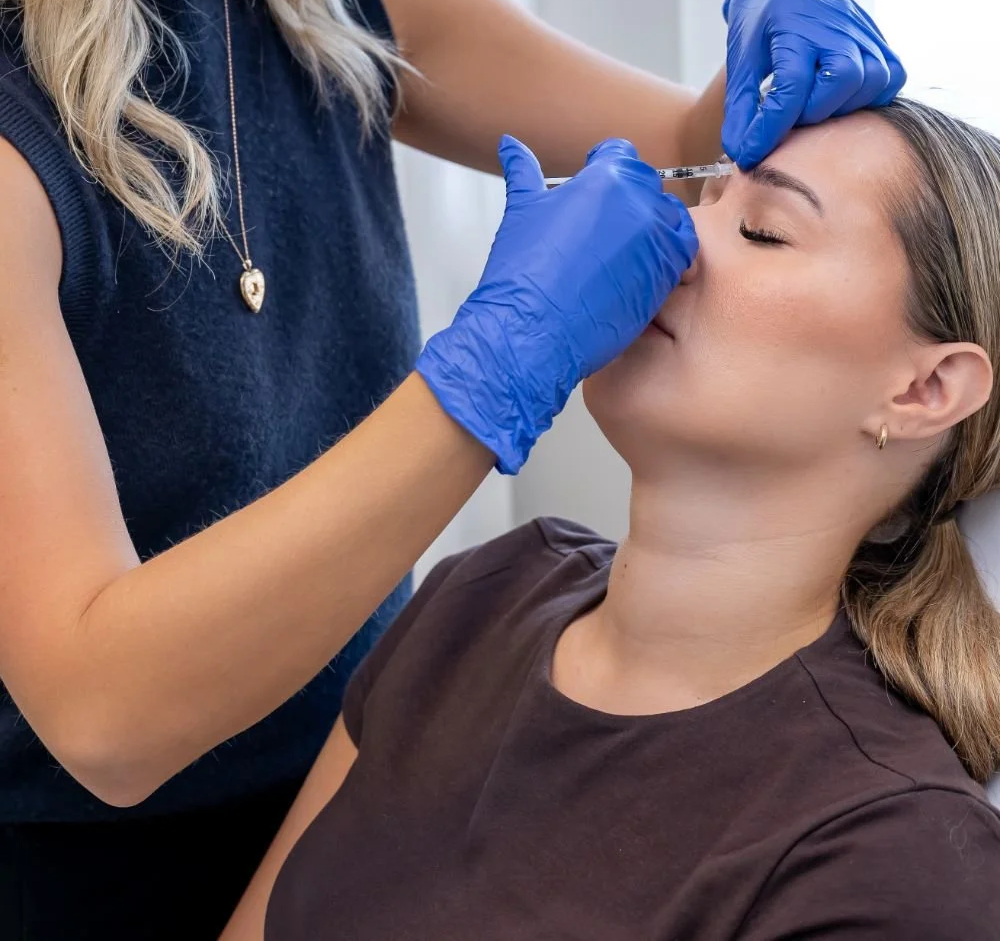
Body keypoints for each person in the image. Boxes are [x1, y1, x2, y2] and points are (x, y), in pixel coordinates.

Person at [0, 0, 904, 937]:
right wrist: (489, 381)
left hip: (369, 798)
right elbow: (104, 711)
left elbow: (695, 140)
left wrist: (768, 60)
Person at [221, 98, 1000, 940]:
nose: (667, 240)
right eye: (704, 199)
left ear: (926, 391)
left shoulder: (895, 855)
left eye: (764, 231)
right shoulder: (479, 597)